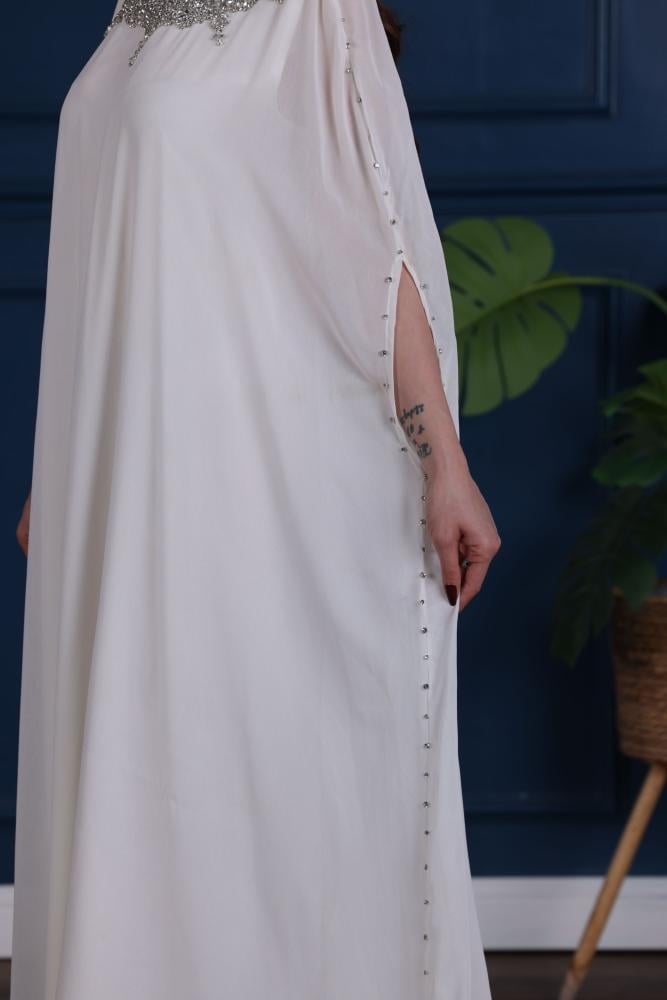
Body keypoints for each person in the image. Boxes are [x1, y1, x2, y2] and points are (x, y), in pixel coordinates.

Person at [12, 2, 500, 998]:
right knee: (144, 785)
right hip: (134, 480)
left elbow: (380, 244)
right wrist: (62, 468)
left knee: (241, 800)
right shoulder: (137, 12)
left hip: (255, 487)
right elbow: (126, 251)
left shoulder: (314, 12)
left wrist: (443, 461)